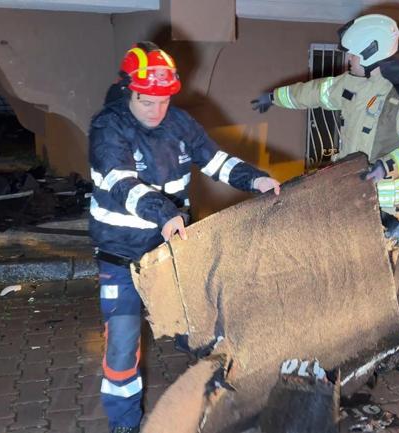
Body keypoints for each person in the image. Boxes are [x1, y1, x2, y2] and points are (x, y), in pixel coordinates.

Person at [89, 41, 280, 433]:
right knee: (123, 344)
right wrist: (163, 213)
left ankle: (224, 400)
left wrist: (254, 178)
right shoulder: (108, 127)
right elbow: (122, 183)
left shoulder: (180, 124)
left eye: (164, 101)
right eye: (147, 102)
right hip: (121, 258)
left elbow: (216, 160)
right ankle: (124, 424)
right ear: (129, 91)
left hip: (170, 252)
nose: (157, 111)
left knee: (202, 325)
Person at [251, 14, 399, 228]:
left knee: (378, 258)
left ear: (370, 54)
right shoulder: (351, 83)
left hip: (384, 201)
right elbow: (314, 92)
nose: (348, 60)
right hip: (350, 187)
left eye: (353, 55)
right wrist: (275, 97)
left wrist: (386, 166)